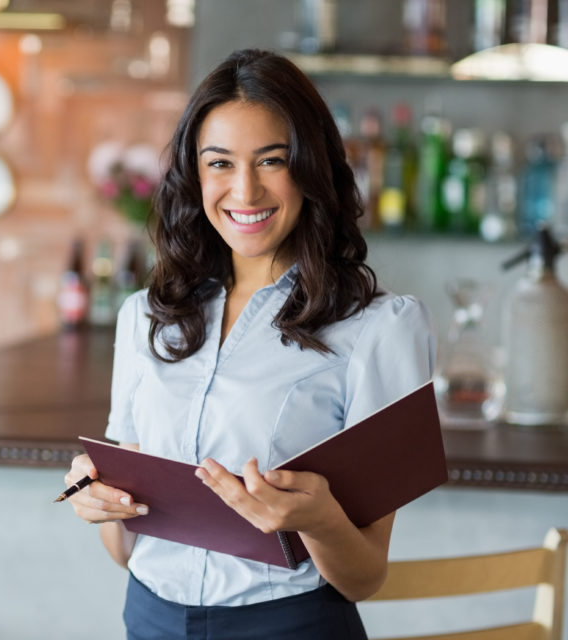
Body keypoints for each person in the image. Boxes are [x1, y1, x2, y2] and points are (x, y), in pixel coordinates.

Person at [65, 48, 436, 640]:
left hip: (291, 625)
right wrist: (102, 502)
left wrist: (318, 520)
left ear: (312, 167)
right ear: (194, 173)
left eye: (272, 160)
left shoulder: (381, 328)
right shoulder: (145, 318)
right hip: (150, 618)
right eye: (220, 164)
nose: (245, 190)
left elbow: (364, 576)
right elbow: (127, 551)